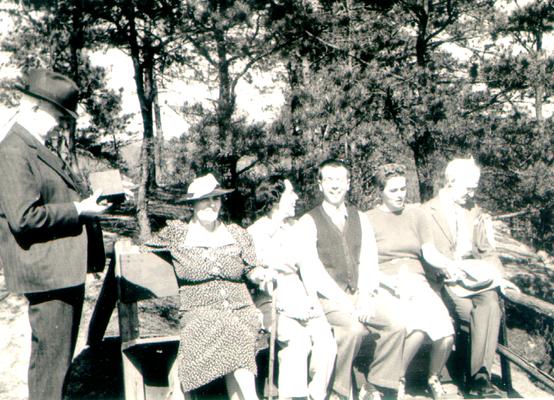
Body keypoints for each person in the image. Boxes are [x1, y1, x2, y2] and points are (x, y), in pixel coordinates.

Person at [0, 69, 109, 400]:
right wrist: (79, 210)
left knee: (53, 367)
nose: (60, 123)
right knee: (51, 368)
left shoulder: (36, 146)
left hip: (60, 274)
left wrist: (89, 203)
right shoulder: (13, 150)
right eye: (57, 115)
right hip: (48, 276)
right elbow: (24, 218)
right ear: (33, 108)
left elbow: (53, 198)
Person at [144, 173, 271, 400]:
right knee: (234, 332)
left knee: (237, 329)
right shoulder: (177, 234)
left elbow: (251, 268)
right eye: (204, 199)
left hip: (241, 308)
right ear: (192, 204)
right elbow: (144, 248)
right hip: (199, 312)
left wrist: (259, 274)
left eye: (216, 199)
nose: (211, 204)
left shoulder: (236, 234)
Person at [295, 159, 406, 400]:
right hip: (328, 300)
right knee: (353, 330)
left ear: (348, 184)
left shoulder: (360, 218)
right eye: (329, 180)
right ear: (320, 185)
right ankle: (338, 392)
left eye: (340, 180)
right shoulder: (308, 221)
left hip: (359, 294)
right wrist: (349, 306)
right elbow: (314, 273)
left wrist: (365, 298)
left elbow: (369, 261)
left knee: (396, 325)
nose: (335, 186)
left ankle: (374, 385)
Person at [423, 158, 519, 398]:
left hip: (474, 277)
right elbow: (423, 252)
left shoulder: (474, 210)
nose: (472, 193)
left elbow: (487, 250)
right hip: (446, 278)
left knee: (490, 304)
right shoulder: (426, 211)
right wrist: (442, 270)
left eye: (475, 187)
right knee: (468, 315)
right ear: (451, 182)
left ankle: (480, 378)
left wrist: (500, 277)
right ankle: (467, 374)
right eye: (469, 187)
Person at [366, 163, 456, 400]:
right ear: (380, 191)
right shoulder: (368, 219)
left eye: (403, 189)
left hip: (417, 280)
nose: (400, 195)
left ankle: (433, 377)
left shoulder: (417, 213)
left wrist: (448, 264)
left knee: (445, 330)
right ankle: (396, 379)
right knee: (414, 324)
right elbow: (365, 265)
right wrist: (389, 282)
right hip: (386, 283)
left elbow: (429, 251)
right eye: (393, 190)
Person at [248, 176, 337, 400]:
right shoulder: (255, 233)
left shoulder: (296, 228)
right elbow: (258, 277)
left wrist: (314, 305)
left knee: (326, 341)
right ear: (274, 199)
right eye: (291, 194)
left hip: (299, 294)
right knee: (297, 341)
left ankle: (316, 395)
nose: (296, 197)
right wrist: (288, 308)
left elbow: (308, 270)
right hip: (270, 299)